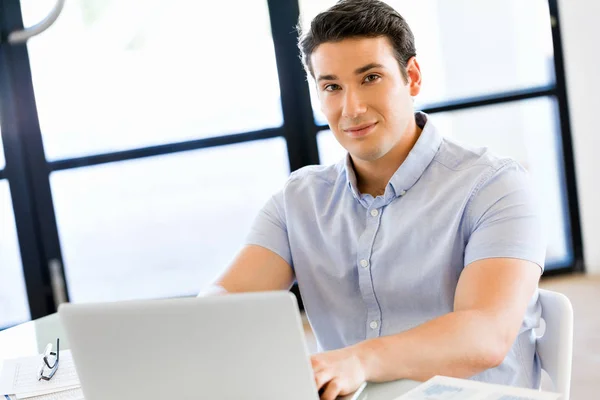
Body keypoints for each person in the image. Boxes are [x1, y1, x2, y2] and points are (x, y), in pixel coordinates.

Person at [207, 1, 545, 399]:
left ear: (412, 76)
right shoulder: (298, 201)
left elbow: (485, 334)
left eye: (370, 77)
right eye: (332, 86)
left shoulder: (494, 186)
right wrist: (201, 319)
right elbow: (225, 308)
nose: (352, 108)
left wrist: (360, 360)